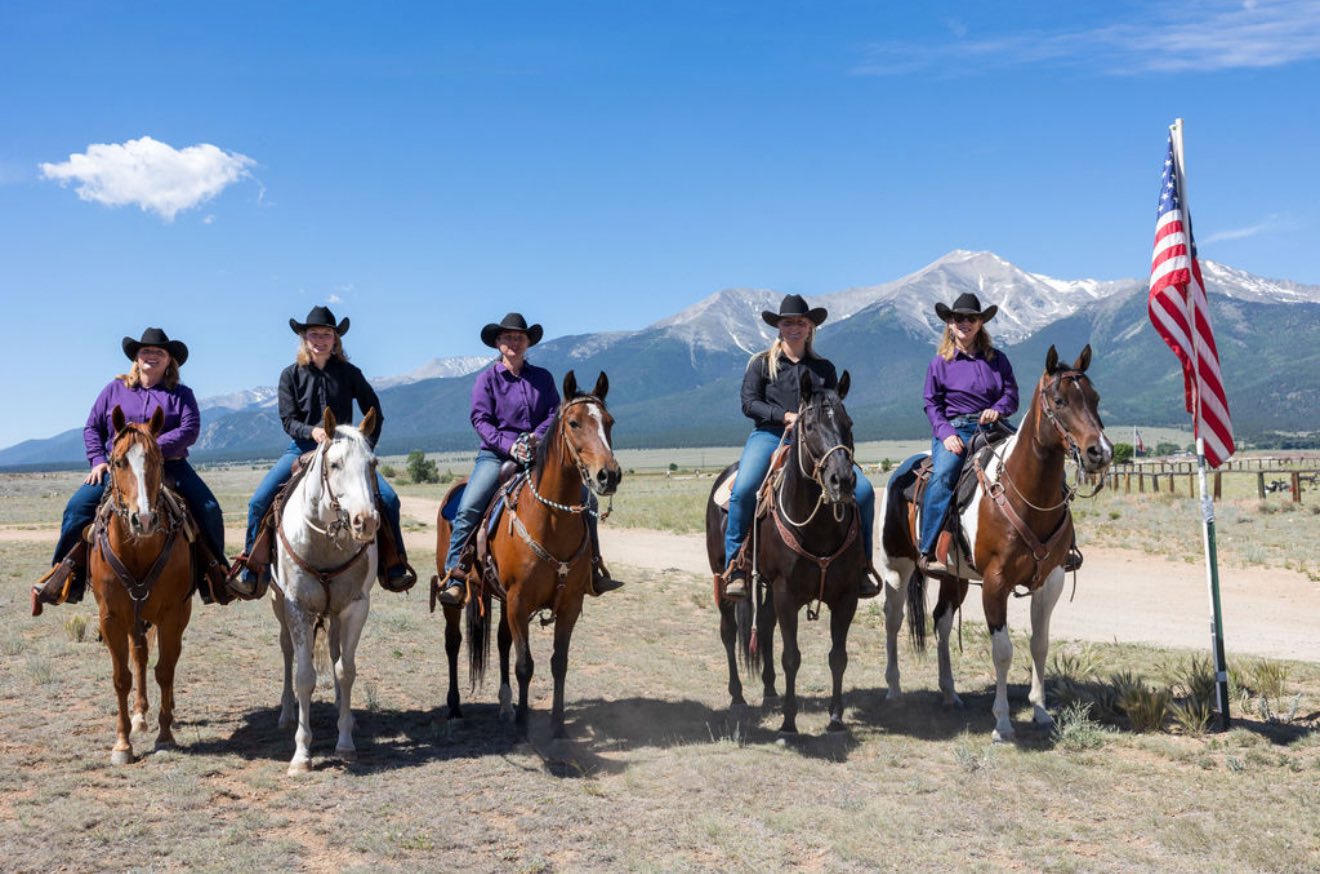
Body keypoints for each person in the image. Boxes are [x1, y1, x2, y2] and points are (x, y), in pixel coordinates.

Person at [32, 328, 227, 613]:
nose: (151, 356)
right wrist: (98, 459)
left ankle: (215, 576)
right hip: (119, 468)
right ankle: (64, 577)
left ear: (169, 360)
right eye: (146, 351)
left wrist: (149, 448)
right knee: (76, 509)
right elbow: (92, 427)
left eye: (158, 352)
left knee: (209, 509)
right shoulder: (114, 390)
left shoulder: (181, 394)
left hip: (169, 465)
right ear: (136, 357)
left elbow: (190, 429)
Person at [435, 312, 621, 607]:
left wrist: (535, 437)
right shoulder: (487, 379)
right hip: (496, 455)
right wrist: (511, 446)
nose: (514, 342)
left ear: (527, 343)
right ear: (498, 343)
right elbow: (481, 420)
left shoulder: (542, 378)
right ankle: (455, 575)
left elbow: (553, 413)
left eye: (519, 337)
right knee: (469, 505)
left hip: (539, 455)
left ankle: (592, 568)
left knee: (588, 502)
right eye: (508, 337)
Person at [230, 306, 414, 595]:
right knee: (258, 502)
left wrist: (361, 451)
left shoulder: (350, 373)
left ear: (335, 339)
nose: (320, 339)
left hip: (344, 452)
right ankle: (254, 569)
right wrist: (311, 432)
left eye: (326, 334)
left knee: (389, 500)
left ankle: (394, 566)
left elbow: (373, 410)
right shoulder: (290, 375)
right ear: (304, 338)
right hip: (301, 448)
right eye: (314, 334)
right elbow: (288, 420)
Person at [722, 294, 880, 600]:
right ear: (779, 327)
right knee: (743, 490)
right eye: (788, 322)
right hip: (770, 435)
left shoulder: (824, 369)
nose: (794, 327)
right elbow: (749, 402)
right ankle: (736, 566)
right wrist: (784, 416)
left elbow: (832, 409)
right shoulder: (761, 364)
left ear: (810, 328)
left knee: (863, 493)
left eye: (800, 322)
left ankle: (861, 565)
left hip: (818, 443)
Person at [919, 292, 1019, 573]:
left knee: (1033, 458)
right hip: (956, 429)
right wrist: (945, 432)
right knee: (944, 474)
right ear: (950, 323)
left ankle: (1062, 544)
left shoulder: (997, 359)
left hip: (993, 428)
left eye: (971, 318)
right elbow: (931, 402)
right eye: (958, 318)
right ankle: (927, 548)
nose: (965, 323)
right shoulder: (940, 362)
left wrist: (998, 409)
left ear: (980, 323)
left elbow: (1011, 395)